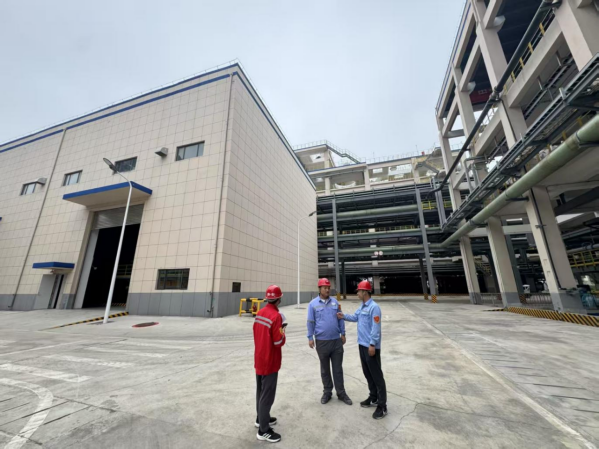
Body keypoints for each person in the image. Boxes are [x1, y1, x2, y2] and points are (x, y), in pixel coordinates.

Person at [337, 280, 388, 419]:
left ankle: (382, 405)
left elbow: (376, 328)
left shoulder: (374, 308)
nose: (357, 293)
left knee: (377, 376)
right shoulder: (362, 306)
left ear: (365, 292)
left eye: (359, 291)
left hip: (370, 347)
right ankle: (373, 397)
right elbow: (355, 317)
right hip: (362, 345)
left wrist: (372, 344)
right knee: (368, 373)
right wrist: (343, 316)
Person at [307, 278, 352, 406]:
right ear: (319, 289)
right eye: (325, 288)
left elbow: (340, 318)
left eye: (328, 287)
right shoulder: (313, 304)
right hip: (322, 342)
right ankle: (327, 392)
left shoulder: (335, 303)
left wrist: (343, 333)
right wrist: (310, 337)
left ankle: (341, 393)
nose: (327, 290)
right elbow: (310, 321)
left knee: (338, 369)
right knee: (325, 369)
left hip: (336, 341)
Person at [254, 285, 286, 443]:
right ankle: (264, 430)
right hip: (270, 361)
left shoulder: (260, 313)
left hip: (259, 358)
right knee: (267, 395)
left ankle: (261, 419)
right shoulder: (276, 316)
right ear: (279, 299)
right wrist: (283, 330)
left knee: (260, 391)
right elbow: (278, 342)